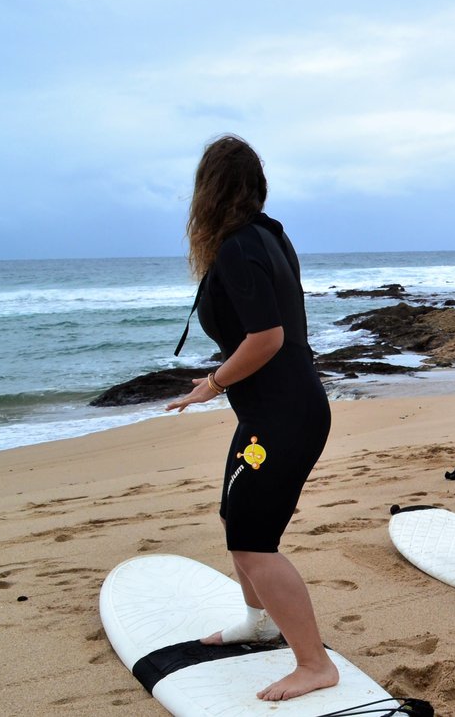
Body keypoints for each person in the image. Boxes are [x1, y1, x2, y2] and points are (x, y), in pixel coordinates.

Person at [164, 135, 338, 701]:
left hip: (283, 416)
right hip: (276, 411)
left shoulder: (240, 247)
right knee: (234, 518)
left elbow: (268, 338)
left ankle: (313, 664)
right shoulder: (267, 236)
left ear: (208, 192)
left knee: (254, 541)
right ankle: (260, 622)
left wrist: (212, 385)